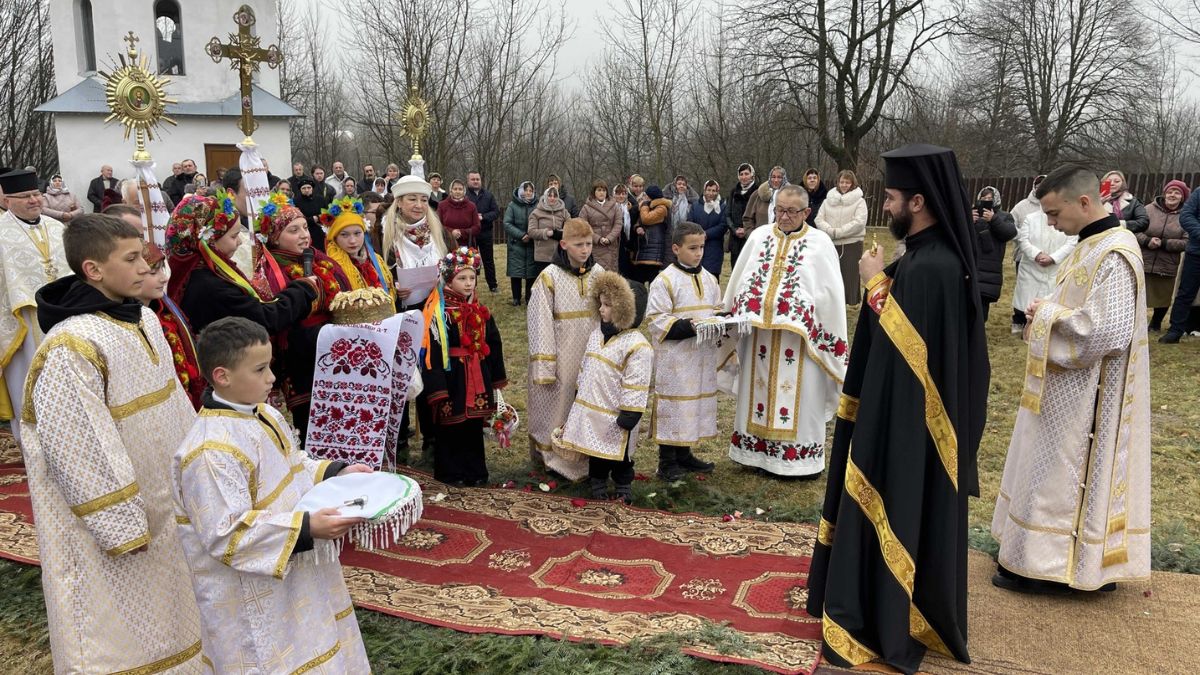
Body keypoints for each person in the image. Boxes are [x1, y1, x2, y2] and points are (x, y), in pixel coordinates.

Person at [808, 144, 990, 673]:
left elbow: (907, 354)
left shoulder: (932, 266)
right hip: (912, 414)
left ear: (918, 200)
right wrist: (884, 281)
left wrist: (871, 283)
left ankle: (884, 615)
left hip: (908, 422)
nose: (885, 209)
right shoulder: (929, 258)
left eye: (890, 199)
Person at [23, 213, 203, 673]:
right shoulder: (71, 345)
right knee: (118, 630)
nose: (147, 266)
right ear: (93, 270)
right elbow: (76, 445)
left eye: (143, 254)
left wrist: (198, 467)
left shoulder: (141, 316)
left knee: (176, 612)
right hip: (113, 525)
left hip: (163, 500)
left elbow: (174, 403)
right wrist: (120, 526)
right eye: (132, 258)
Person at [173, 317, 372, 673]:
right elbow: (226, 534)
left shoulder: (263, 413)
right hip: (251, 600)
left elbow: (291, 465)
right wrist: (306, 529)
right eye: (260, 369)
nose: (272, 379)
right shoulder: (209, 451)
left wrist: (335, 472)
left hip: (295, 575)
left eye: (270, 367)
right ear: (222, 376)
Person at [992, 164, 1150, 595]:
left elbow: (1108, 331)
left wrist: (1045, 314)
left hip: (1090, 396)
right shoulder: (1088, 243)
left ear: (1084, 202)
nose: (1049, 222)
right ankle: (1034, 556)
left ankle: (1063, 567)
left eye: (1055, 212)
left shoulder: (1116, 252)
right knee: (1046, 466)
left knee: (1068, 471)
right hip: (1064, 386)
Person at [722, 185, 847, 477]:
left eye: (791, 211)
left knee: (801, 396)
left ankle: (797, 461)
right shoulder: (758, 237)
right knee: (758, 389)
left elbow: (830, 296)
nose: (784, 216)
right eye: (779, 209)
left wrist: (800, 310)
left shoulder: (820, 243)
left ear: (807, 212)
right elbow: (741, 280)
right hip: (760, 338)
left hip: (801, 341)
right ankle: (754, 454)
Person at [166, 191, 320, 336]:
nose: (239, 242)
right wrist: (303, 288)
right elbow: (265, 319)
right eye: (233, 236)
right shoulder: (209, 285)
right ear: (208, 241)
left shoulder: (199, 273)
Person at [258, 194, 350, 438]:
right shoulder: (268, 271)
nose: (304, 235)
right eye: (293, 230)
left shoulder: (318, 259)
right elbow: (280, 319)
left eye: (305, 228)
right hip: (301, 359)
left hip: (334, 349)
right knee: (312, 425)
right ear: (275, 237)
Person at [560, 271, 651, 503]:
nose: (601, 309)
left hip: (617, 412)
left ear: (626, 310)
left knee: (621, 455)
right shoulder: (596, 334)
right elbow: (586, 365)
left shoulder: (637, 346)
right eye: (600, 304)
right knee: (595, 450)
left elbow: (637, 382)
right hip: (593, 408)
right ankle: (597, 479)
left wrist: (631, 412)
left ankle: (623, 483)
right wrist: (580, 391)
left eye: (608, 305)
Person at [421, 247, 507, 486]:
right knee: (452, 425)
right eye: (462, 278)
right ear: (449, 279)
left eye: (472, 277)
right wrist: (436, 388)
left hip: (477, 373)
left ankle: (476, 472)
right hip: (452, 378)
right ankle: (451, 472)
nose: (469, 283)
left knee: (472, 425)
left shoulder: (481, 310)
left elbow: (493, 343)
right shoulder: (439, 313)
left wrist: (496, 380)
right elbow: (432, 351)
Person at [527, 218, 602, 479]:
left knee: (586, 404)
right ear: (564, 244)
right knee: (557, 405)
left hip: (591, 353)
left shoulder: (599, 274)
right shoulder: (549, 277)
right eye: (579, 244)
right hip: (559, 355)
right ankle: (553, 459)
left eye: (589, 244)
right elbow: (539, 322)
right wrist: (546, 363)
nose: (585, 250)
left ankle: (586, 457)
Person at [0, 169, 70, 442]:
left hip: (62, 313)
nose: (33, 200)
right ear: (8, 201)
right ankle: (31, 443)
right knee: (27, 382)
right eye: (25, 196)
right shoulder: (2, 233)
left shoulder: (56, 227)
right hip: (23, 321)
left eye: (36, 194)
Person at [646, 222, 720, 480]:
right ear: (676, 248)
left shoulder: (709, 279)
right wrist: (689, 327)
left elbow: (715, 308)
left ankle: (684, 454)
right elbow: (656, 319)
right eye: (692, 248)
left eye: (701, 247)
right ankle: (667, 461)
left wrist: (724, 318)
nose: (698, 253)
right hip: (675, 356)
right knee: (675, 406)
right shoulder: (664, 280)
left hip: (700, 356)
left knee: (692, 404)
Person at [132, 235, 206, 409]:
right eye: (153, 272)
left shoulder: (166, 311)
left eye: (161, 269)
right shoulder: (138, 325)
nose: (164, 278)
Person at [1011, 210, 1077, 336]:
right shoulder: (1030, 218)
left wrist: (1053, 258)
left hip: (1055, 267)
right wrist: (1037, 254)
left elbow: (1072, 242)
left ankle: (1043, 326)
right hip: (1031, 266)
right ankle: (1020, 321)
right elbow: (1023, 240)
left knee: (1050, 298)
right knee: (1026, 298)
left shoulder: (1068, 219)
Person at [1139, 180, 1190, 331]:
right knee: (1139, 292)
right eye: (1170, 191)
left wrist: (1164, 243)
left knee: (1163, 294)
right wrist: (1147, 240)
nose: (1172, 195)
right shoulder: (1148, 209)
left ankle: (1155, 323)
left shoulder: (1186, 215)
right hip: (1144, 257)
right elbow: (1135, 230)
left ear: (1182, 197)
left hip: (1168, 262)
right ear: (1164, 193)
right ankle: (1137, 322)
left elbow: (1188, 241)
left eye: (1177, 193)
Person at [324, 193, 395, 300]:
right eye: (344, 235)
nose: (353, 241)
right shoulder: (329, 268)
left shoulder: (375, 260)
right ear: (335, 237)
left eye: (357, 233)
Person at [814, 169, 868, 305]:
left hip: (851, 243)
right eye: (842, 182)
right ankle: (830, 301)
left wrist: (839, 232)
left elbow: (859, 222)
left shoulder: (859, 202)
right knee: (830, 275)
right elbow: (819, 219)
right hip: (830, 243)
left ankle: (848, 301)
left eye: (847, 182)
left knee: (849, 275)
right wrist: (830, 230)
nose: (844, 185)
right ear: (837, 183)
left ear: (852, 183)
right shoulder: (828, 201)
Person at [1160, 182, 1200, 343]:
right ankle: (1176, 329)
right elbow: (1186, 216)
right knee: (1186, 292)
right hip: (1197, 252)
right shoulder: (1199, 193)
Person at [972, 185, 1017, 321]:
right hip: (971, 264)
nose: (986, 200)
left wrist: (993, 219)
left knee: (982, 305)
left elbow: (1009, 233)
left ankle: (978, 335)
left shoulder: (1004, 216)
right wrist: (967, 221)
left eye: (990, 198)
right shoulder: (971, 214)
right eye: (984, 198)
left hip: (989, 269)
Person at [1008, 175, 1047, 331]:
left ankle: (1037, 320)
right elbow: (1009, 226)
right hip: (1025, 254)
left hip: (1048, 256)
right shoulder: (1022, 206)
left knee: (1044, 289)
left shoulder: (1055, 205)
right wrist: (1023, 238)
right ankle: (1018, 319)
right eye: (1038, 186)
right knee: (1023, 288)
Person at [503, 181, 539, 306]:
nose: (528, 193)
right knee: (516, 273)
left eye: (531, 191)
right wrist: (521, 235)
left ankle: (529, 298)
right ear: (521, 191)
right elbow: (507, 223)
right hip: (516, 244)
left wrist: (533, 234)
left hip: (532, 244)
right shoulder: (512, 205)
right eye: (526, 190)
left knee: (531, 273)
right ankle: (516, 298)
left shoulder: (538, 205)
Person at [466, 171, 500, 292]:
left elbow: (496, 212)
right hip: (470, 234)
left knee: (488, 260)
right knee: (469, 260)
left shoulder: (488, 195)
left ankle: (493, 285)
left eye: (477, 179)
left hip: (486, 232)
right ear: (468, 181)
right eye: (473, 179)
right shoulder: (465, 196)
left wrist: (483, 217)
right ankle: (470, 286)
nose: (475, 181)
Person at [579, 179, 623, 272]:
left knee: (611, 275)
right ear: (594, 192)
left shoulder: (614, 206)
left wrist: (609, 238)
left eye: (604, 190)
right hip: (595, 245)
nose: (601, 193)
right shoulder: (586, 207)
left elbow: (618, 224)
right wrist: (598, 239)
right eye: (599, 190)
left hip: (611, 245)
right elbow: (583, 226)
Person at [687, 180, 728, 278]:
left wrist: (707, 234)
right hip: (696, 245)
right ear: (704, 191)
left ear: (717, 192)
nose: (711, 193)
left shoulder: (722, 207)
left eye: (714, 191)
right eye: (708, 190)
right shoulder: (695, 206)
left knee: (712, 277)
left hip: (714, 247)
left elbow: (723, 225)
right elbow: (689, 222)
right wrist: (698, 234)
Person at [631, 185, 672, 282]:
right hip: (642, 250)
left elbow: (646, 219)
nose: (644, 197)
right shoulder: (649, 206)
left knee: (653, 282)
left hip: (654, 254)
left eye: (646, 195)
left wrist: (644, 205)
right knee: (639, 283)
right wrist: (637, 228)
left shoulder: (662, 208)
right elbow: (639, 221)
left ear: (650, 196)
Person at [528, 186, 569, 271]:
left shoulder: (564, 212)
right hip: (542, 257)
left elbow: (571, 227)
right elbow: (531, 231)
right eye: (550, 196)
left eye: (555, 196)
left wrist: (560, 233)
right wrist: (545, 233)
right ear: (545, 196)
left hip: (559, 255)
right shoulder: (536, 213)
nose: (552, 198)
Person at [728, 163, 760, 267]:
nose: (744, 177)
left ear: (752, 175)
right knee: (735, 269)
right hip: (735, 238)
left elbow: (759, 215)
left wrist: (746, 230)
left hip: (751, 237)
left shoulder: (758, 192)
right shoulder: (734, 192)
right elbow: (727, 214)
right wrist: (734, 229)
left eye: (746, 173)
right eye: (741, 174)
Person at [437, 178, 481, 247]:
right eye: (455, 189)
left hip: (467, 246)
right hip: (447, 244)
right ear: (451, 190)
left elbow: (477, 227)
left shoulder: (471, 206)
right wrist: (451, 232)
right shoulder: (442, 205)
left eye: (460, 189)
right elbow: (438, 225)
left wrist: (462, 232)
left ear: (464, 191)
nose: (457, 191)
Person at [743, 165, 788, 230]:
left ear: (784, 178)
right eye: (773, 177)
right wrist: (752, 235)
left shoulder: (790, 196)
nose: (776, 180)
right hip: (760, 237)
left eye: (779, 177)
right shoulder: (757, 194)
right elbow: (747, 218)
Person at [613, 182, 639, 278]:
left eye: (623, 193)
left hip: (628, 244)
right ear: (614, 194)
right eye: (618, 193)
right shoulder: (610, 208)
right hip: (615, 243)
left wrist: (631, 211)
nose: (621, 196)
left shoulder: (631, 208)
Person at [294, 176, 326, 250]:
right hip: (304, 232)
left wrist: (319, 218)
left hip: (320, 232)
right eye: (304, 188)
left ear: (312, 188)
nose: (307, 190)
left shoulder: (320, 199)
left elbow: (326, 213)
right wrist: (312, 219)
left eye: (309, 188)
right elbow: (296, 219)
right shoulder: (296, 201)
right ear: (300, 190)